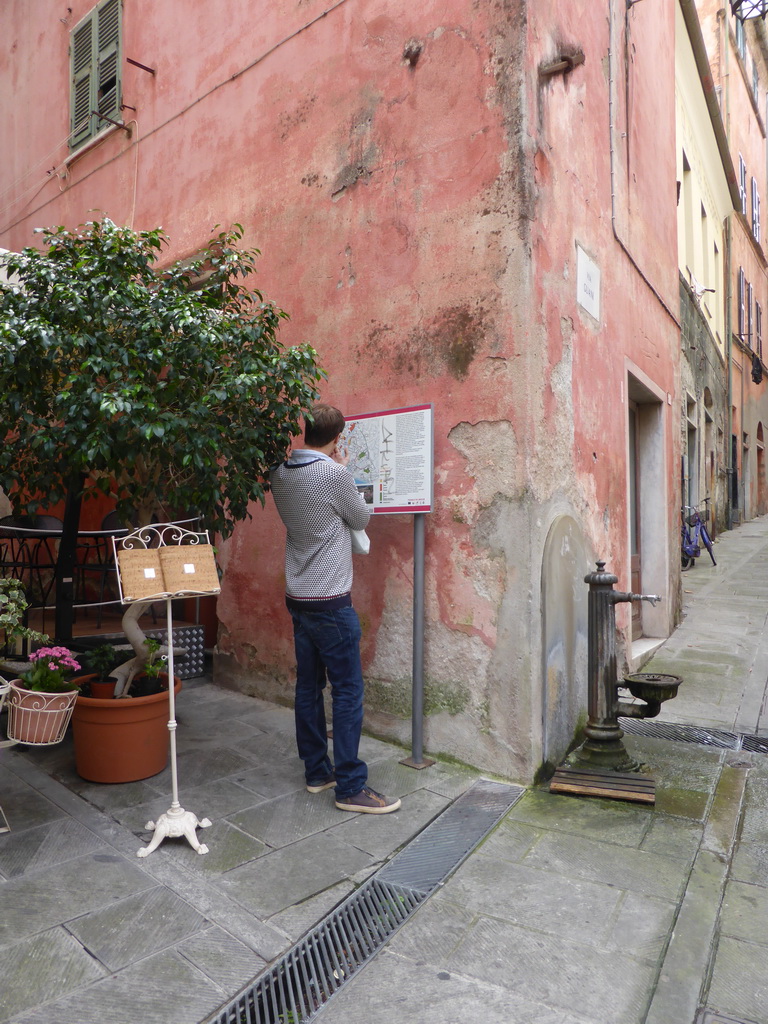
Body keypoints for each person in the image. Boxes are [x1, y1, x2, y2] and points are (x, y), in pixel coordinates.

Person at [270, 403, 401, 814]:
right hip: (330, 599)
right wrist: (343, 469)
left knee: (308, 686)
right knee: (348, 691)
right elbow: (361, 515)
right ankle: (350, 786)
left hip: (299, 595)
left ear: (307, 431)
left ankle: (317, 772)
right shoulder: (333, 474)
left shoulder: (280, 472)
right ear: (337, 437)